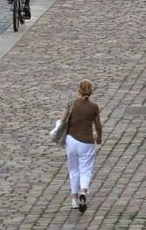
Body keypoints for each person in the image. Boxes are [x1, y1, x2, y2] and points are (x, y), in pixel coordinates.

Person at [62, 79, 102, 213]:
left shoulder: (72, 103)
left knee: (73, 170)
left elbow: (63, 120)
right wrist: (99, 137)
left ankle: (74, 199)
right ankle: (83, 191)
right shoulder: (94, 107)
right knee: (86, 169)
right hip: (87, 142)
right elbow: (98, 126)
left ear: (78, 90)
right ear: (91, 91)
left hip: (71, 141)